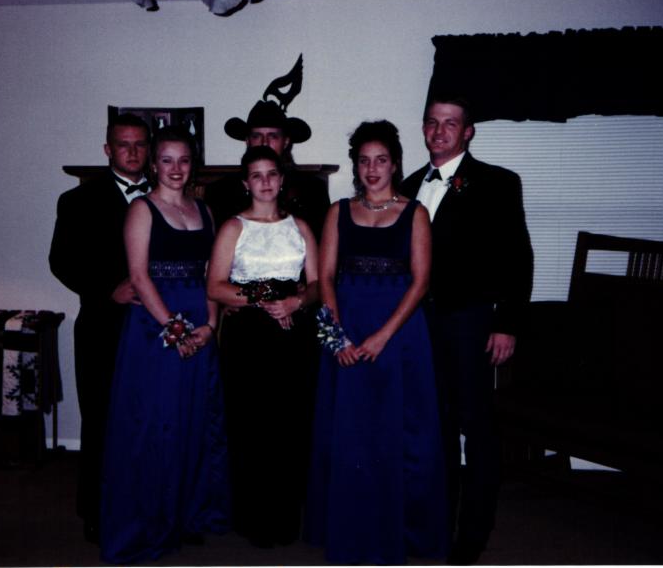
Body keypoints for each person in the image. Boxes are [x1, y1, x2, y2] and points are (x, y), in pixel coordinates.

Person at [303, 120, 448, 564]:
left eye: (381, 160)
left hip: (400, 335)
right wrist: (336, 338)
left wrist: (383, 337)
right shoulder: (337, 212)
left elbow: (421, 283)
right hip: (345, 330)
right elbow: (325, 278)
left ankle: (402, 533)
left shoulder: (415, 213)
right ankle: (350, 531)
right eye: (364, 161)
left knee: (400, 434)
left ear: (395, 164)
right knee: (350, 433)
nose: (372, 169)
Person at [400, 95, 533, 564]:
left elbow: (518, 257)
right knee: (432, 427)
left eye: (450, 124)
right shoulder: (407, 186)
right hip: (418, 327)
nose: (439, 132)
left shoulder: (498, 183)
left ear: (468, 132)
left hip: (470, 322)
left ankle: (473, 534)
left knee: (476, 428)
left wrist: (507, 323)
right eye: (432, 123)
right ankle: (436, 526)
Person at [99, 127, 231, 563]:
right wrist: (175, 331)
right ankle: (150, 523)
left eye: (184, 160)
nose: (176, 169)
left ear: (194, 165)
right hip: (155, 330)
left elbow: (213, 275)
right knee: (155, 426)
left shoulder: (205, 211)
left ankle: (184, 515)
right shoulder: (141, 209)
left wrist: (209, 326)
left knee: (193, 423)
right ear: (154, 164)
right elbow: (139, 277)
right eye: (168, 160)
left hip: (198, 324)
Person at [206, 145, 319, 548]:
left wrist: (295, 303)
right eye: (257, 175)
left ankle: (286, 517)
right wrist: (266, 296)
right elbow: (215, 287)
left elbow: (317, 284)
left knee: (290, 424)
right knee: (250, 424)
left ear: (282, 178)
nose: (266, 182)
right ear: (246, 183)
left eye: (272, 173)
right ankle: (252, 517)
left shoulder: (301, 227)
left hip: (293, 333)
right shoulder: (233, 227)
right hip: (249, 337)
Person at [49, 113, 152, 544]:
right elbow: (61, 261)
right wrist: (108, 290)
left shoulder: (168, 195)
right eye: (123, 144)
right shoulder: (78, 200)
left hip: (155, 327)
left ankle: (152, 507)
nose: (132, 152)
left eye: (139, 144)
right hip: (102, 324)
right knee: (101, 421)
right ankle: (96, 510)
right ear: (108, 149)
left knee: (151, 419)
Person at [204, 100, 330, 241]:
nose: (264, 143)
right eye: (257, 136)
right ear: (248, 141)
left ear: (286, 141)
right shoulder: (220, 192)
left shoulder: (312, 190)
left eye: (273, 136)